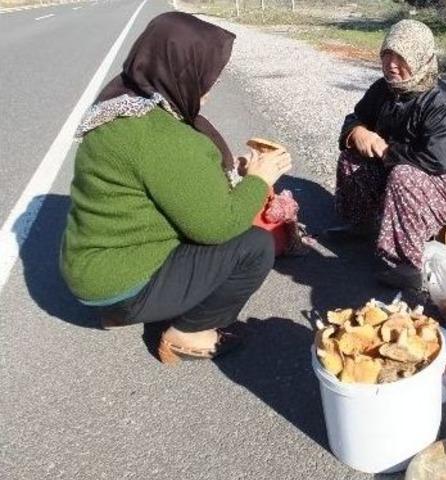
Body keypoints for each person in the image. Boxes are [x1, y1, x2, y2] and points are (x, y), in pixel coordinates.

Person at [60, 12, 291, 365]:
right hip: (117, 279)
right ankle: (190, 332)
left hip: (89, 266)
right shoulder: (162, 137)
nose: (210, 87)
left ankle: (121, 311)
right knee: (254, 246)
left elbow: (169, 184)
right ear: (180, 70)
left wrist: (236, 177)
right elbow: (217, 225)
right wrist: (260, 180)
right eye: (206, 75)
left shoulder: (122, 105)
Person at [331, 19, 446, 290]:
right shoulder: (384, 89)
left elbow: (435, 159)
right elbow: (356, 116)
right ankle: (362, 225)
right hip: (403, 163)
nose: (391, 63)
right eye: (386, 54)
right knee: (352, 159)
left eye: (401, 56)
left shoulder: (441, 103)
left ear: (420, 58)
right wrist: (357, 132)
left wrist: (384, 149)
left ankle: (407, 265)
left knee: (404, 177)